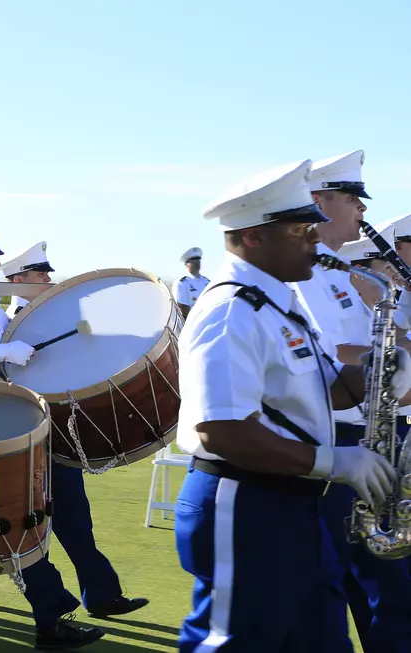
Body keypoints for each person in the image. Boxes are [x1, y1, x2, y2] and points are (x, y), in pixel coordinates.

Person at [175, 157, 411, 651]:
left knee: (321, 640)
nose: (315, 237)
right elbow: (221, 431)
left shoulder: (282, 301)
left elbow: (328, 385)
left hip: (293, 499)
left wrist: (377, 374)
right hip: (244, 500)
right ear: (255, 237)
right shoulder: (229, 311)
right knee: (235, 642)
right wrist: (333, 460)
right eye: (303, 228)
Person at [0, 219, 142, 647]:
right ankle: (49, 619)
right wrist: (2, 351)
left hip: (18, 424)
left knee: (13, 522)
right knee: (11, 524)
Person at [289, 151, 411, 651]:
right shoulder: (308, 275)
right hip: (335, 437)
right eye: (353, 198)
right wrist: (395, 355)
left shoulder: (338, 272)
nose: (362, 210)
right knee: (354, 580)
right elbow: (331, 351)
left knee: (384, 581)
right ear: (320, 202)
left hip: (371, 433)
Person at [1, 241, 53, 319]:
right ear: (17, 280)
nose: (48, 279)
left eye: (47, 274)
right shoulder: (21, 317)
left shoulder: (34, 311)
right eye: (41, 274)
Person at [172, 247, 210, 318]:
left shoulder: (207, 282)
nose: (197, 262)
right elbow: (182, 307)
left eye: (198, 260)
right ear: (186, 264)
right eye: (193, 260)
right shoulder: (182, 283)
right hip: (191, 322)